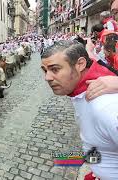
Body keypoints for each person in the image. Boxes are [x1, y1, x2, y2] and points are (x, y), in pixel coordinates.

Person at [41, 40, 118, 180]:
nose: (47, 77)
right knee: (60, 159)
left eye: (55, 69)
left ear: (81, 64)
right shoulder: (84, 78)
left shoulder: (107, 109)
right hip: (98, 159)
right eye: (45, 70)